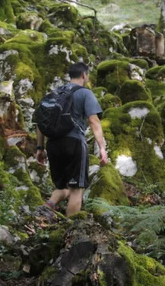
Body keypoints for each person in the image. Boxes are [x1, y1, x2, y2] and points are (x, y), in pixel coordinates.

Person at [35, 62, 108, 217]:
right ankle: (71, 229)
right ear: (84, 75)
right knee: (76, 189)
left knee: (63, 187)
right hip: (74, 142)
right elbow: (94, 121)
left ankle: (44, 211)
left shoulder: (53, 94)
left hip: (53, 144)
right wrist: (101, 147)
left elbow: (40, 122)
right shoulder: (85, 93)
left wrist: (40, 148)